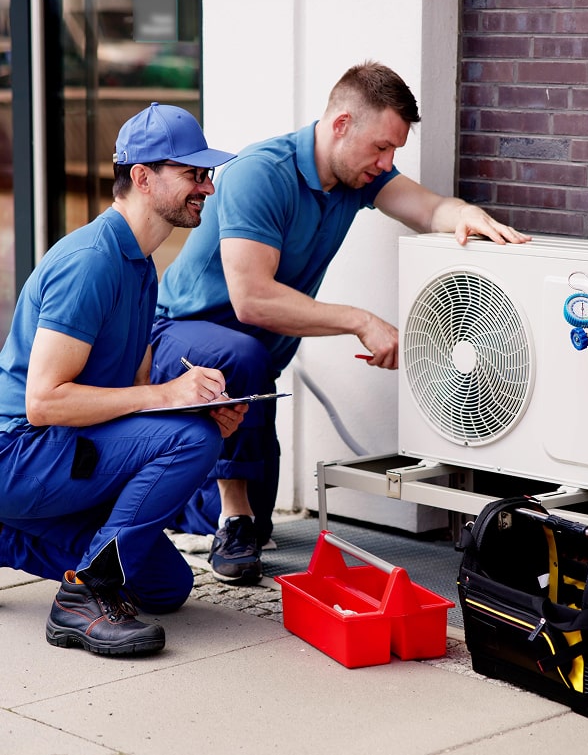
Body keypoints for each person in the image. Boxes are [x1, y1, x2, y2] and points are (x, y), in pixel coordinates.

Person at [151, 61, 530, 585]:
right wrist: (361, 321)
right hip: (180, 338)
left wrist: (463, 215)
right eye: (380, 147)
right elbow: (252, 301)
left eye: (395, 149)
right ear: (340, 124)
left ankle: (212, 514)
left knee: (249, 521)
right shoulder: (259, 173)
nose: (387, 162)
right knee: (239, 362)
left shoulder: (356, 177)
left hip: (252, 366)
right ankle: (230, 514)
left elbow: (426, 208)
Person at [0, 103, 245, 657]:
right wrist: (172, 402)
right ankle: (82, 598)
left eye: (207, 175)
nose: (207, 187)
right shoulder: (90, 262)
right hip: (18, 451)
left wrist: (196, 405)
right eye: (193, 174)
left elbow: (129, 400)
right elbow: (43, 401)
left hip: (64, 450)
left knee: (166, 587)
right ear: (142, 176)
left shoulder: (141, 265)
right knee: (192, 441)